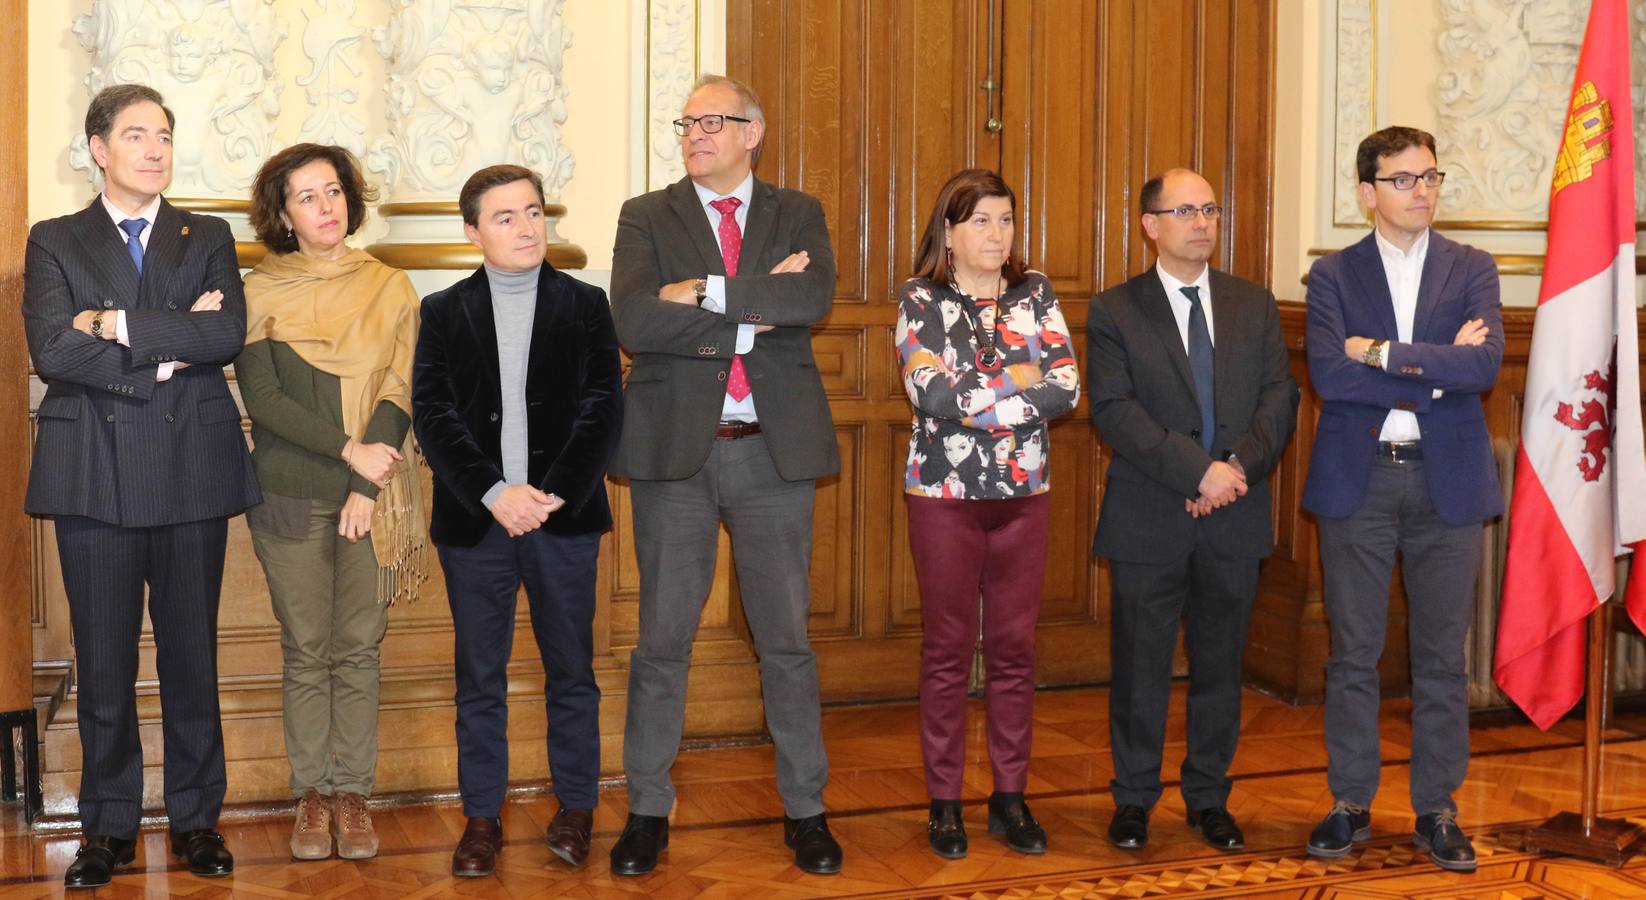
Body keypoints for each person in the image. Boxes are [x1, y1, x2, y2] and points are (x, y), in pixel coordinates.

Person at [22, 83, 261, 888]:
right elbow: (52, 355)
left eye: (164, 135)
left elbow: (225, 333)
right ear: (98, 147)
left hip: (191, 470)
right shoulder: (55, 238)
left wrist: (113, 325)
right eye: (136, 135)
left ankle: (198, 821)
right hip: (93, 474)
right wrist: (167, 348)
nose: (155, 149)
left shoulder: (208, 234)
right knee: (103, 663)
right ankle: (107, 830)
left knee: (193, 659)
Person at [607, 73, 842, 877]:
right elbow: (635, 318)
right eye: (687, 121)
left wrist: (702, 294)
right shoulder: (648, 214)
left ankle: (806, 811)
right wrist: (747, 319)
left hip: (771, 452)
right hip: (677, 453)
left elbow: (811, 297)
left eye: (714, 120)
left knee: (786, 642)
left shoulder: (796, 211)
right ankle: (646, 809)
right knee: (662, 641)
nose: (695, 133)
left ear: (754, 131)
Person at [412, 164, 623, 876]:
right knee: (480, 676)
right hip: (478, 525)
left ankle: (576, 809)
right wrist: (496, 493)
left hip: (562, 520)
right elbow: (433, 416)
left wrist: (550, 493)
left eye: (534, 212)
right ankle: (481, 819)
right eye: (506, 217)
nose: (528, 227)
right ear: (472, 231)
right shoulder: (442, 311)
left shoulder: (587, 304)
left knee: (572, 671)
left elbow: (601, 409)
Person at [1302, 126, 1502, 873]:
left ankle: (1438, 809)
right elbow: (1330, 375)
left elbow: (1482, 366)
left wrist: (1382, 354)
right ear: (1367, 193)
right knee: (1353, 653)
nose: (1422, 191)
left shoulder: (1472, 266)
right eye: (1403, 179)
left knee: (1441, 658)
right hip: (1361, 481)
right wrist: (1435, 370)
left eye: (1430, 176)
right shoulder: (1333, 277)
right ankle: (1350, 801)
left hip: (1446, 480)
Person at [1086, 168, 1298, 853]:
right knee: (1141, 667)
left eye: (1210, 208)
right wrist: (1195, 470)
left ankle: (1209, 796)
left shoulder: (1253, 303)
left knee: (1220, 666)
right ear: (1150, 224)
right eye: (1184, 210)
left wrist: (1234, 470)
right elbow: (1116, 411)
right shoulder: (1116, 309)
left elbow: (1280, 399)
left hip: (1234, 512)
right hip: (1150, 514)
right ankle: (1134, 799)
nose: (1202, 221)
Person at [236, 142, 424, 862]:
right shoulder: (259, 291)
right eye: (306, 196)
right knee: (306, 650)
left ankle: (353, 795)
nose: (325, 206)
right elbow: (265, 400)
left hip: (374, 500)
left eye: (333, 191)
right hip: (288, 494)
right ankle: (310, 796)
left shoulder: (391, 287)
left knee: (358, 650)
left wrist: (364, 485)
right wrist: (347, 456)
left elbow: (399, 390)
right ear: (282, 214)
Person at [894, 168, 1079, 859]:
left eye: (1005, 220)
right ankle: (945, 803)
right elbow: (930, 396)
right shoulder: (921, 299)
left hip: (1024, 497)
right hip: (943, 497)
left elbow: (1067, 386)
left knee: (1013, 650)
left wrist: (980, 391)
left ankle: (1010, 796)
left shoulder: (1036, 293)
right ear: (948, 231)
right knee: (946, 653)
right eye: (981, 222)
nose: (997, 235)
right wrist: (1016, 384)